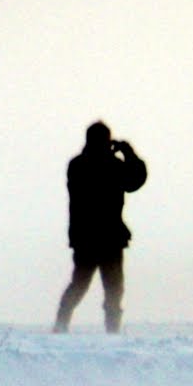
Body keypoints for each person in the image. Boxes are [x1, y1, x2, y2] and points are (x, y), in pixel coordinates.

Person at [53, 121, 147, 333]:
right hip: (108, 238)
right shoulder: (111, 165)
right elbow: (135, 180)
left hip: (86, 237)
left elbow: (132, 181)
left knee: (79, 284)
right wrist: (128, 154)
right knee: (113, 288)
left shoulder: (77, 164)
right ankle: (112, 329)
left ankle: (61, 323)